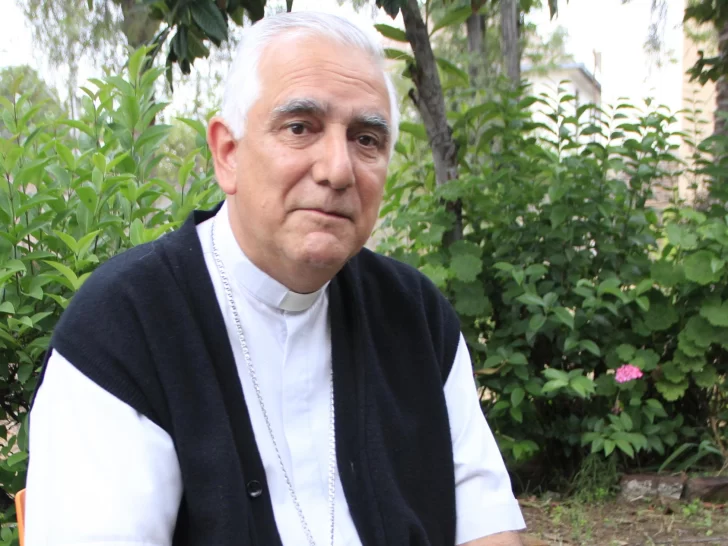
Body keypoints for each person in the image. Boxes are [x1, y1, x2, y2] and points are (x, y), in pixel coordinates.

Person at [24, 10, 526, 546]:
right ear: (228, 154)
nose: (338, 170)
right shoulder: (124, 328)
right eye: (300, 128)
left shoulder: (415, 315)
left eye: (366, 139)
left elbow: (487, 527)